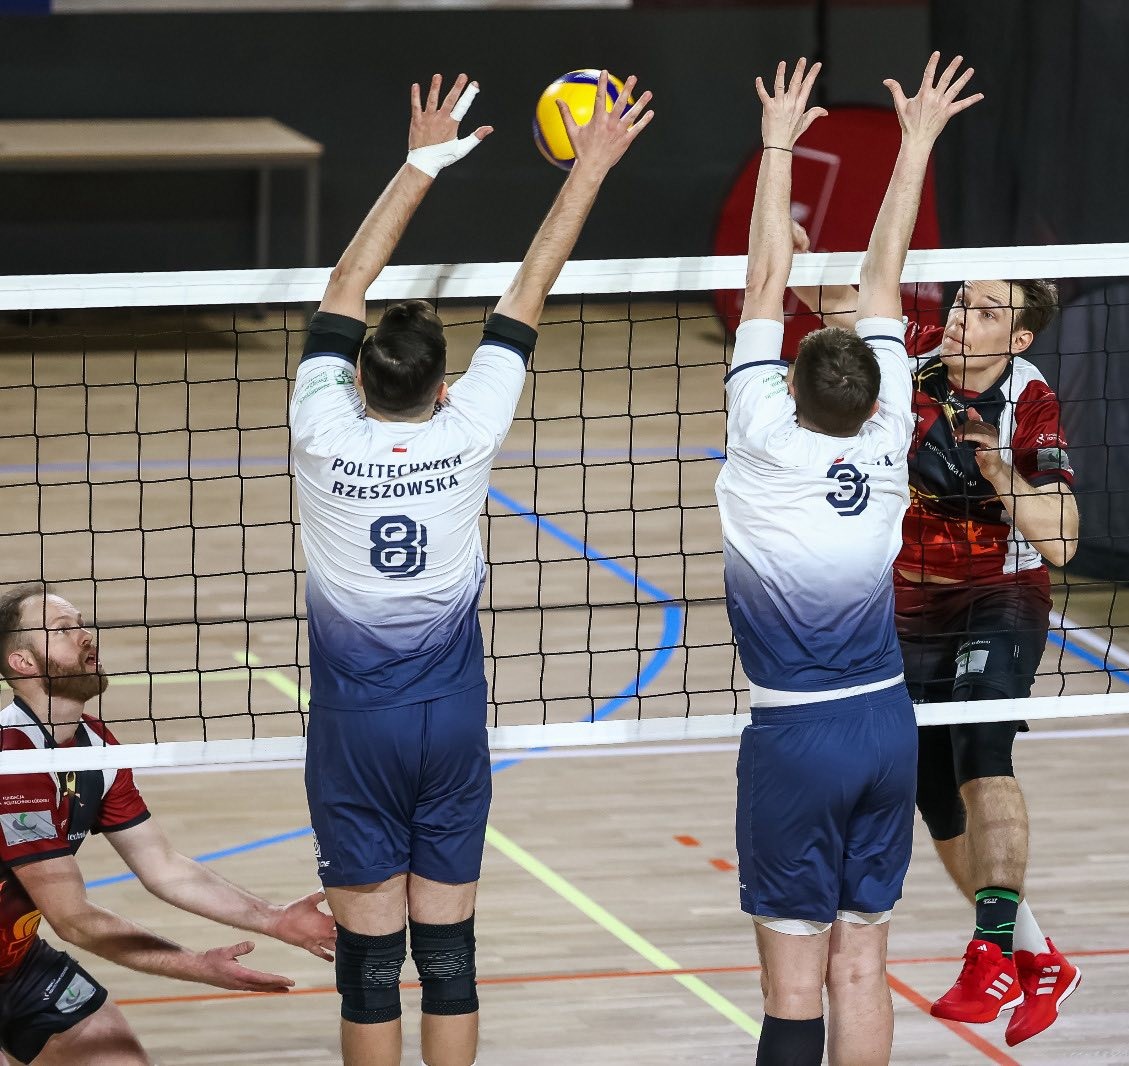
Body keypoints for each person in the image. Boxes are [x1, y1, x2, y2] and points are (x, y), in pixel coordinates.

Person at [290, 72, 651, 1066]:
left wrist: (421, 162)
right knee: (449, 960)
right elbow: (529, 288)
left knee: (370, 970)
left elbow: (344, 285)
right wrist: (588, 170)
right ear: (445, 387)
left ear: (355, 378)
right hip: (449, 725)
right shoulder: (470, 428)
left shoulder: (320, 429)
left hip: (355, 731)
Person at [719, 54, 979, 1066]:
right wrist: (917, 143)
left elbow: (763, 281)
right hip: (884, 726)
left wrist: (776, 144)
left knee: (793, 986)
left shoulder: (763, 434)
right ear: (876, 393)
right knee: (863, 966)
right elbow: (881, 277)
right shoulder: (890, 431)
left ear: (789, 389)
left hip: (797, 736)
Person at [792, 256, 1082, 1044]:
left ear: (1017, 339)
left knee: (983, 755)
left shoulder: (1030, 402)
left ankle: (989, 952)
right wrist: (792, 246)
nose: (961, 317)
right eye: (961, 302)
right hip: (910, 600)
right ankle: (1036, 957)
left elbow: (1062, 542)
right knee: (933, 795)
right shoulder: (915, 355)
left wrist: (998, 471)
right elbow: (832, 299)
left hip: (998, 594)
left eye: (986, 312)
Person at [0, 585, 336, 1066]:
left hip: (17, 964)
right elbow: (73, 919)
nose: (85, 636)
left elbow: (162, 865)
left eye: (81, 624)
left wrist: (274, 918)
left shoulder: (95, 745)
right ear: (23, 663)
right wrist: (198, 966)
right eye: (62, 629)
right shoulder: (12, 759)